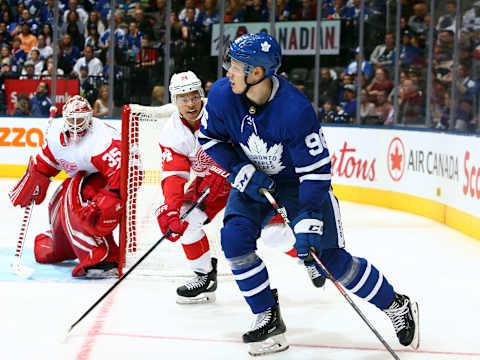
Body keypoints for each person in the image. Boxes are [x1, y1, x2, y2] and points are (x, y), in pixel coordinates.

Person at [198, 33, 420, 356]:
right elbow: (210, 139)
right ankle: (267, 315)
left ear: (257, 73)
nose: (227, 71)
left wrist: (308, 219)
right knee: (234, 240)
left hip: (297, 185)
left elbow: (315, 172)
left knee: (331, 261)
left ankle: (395, 303)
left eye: (236, 65)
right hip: (252, 179)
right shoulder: (220, 96)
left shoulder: (295, 110)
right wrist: (239, 169)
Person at [156, 71, 324, 304]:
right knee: (185, 220)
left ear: (202, 96)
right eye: (183, 99)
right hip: (211, 183)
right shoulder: (173, 132)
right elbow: (174, 175)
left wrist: (235, 169)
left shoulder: (219, 110)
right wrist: (171, 209)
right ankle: (204, 277)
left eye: (194, 97)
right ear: (175, 101)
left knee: (274, 235)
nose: (190, 103)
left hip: (250, 175)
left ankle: (309, 257)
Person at [9, 95, 123, 278]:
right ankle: (62, 246)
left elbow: (123, 173)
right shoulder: (55, 134)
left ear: (90, 117)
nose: (76, 123)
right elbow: (46, 162)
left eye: (81, 119)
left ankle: (105, 257)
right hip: (80, 178)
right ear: (64, 118)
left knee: (79, 204)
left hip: (103, 180)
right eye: (71, 119)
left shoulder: (103, 139)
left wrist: (110, 197)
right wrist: (36, 178)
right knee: (56, 206)